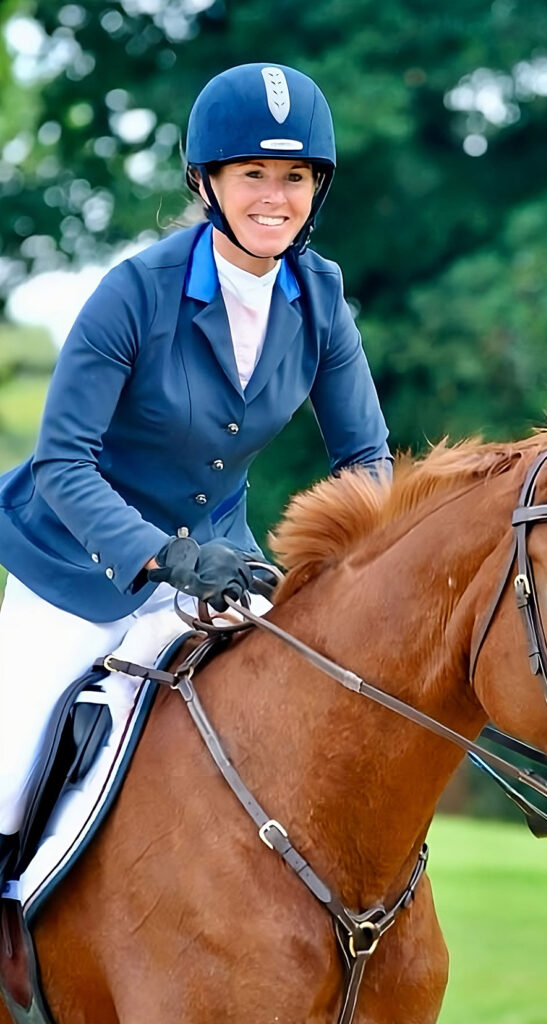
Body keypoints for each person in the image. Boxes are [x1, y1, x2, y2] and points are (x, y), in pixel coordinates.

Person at [0, 63, 392, 887]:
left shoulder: (321, 296)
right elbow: (63, 462)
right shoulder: (134, 294)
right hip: (79, 565)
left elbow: (365, 462)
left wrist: (364, 576)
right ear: (207, 180)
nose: (275, 197)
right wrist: (160, 557)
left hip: (220, 564)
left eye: (295, 177)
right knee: (6, 776)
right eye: (253, 174)